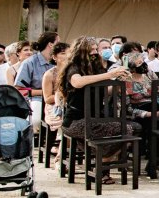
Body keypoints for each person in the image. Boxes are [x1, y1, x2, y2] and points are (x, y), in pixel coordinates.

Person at [57, 37, 142, 184]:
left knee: (133, 128)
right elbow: (77, 82)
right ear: (82, 51)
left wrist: (118, 81)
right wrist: (110, 75)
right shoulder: (73, 67)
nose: (95, 53)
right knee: (123, 130)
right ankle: (101, 168)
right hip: (75, 121)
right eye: (92, 50)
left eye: (96, 49)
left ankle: (100, 165)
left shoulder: (96, 68)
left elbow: (105, 91)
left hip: (96, 120)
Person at [16, 32, 60, 132]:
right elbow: (20, 89)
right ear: (51, 44)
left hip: (58, 99)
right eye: (58, 42)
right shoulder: (29, 62)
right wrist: (45, 92)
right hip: (37, 99)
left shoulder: (58, 61)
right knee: (36, 120)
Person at [42, 42, 70, 133]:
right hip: (55, 105)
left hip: (72, 103)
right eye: (63, 53)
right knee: (63, 119)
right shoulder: (49, 74)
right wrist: (61, 95)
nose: (67, 56)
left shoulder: (75, 71)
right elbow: (47, 99)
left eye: (69, 53)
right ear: (54, 57)